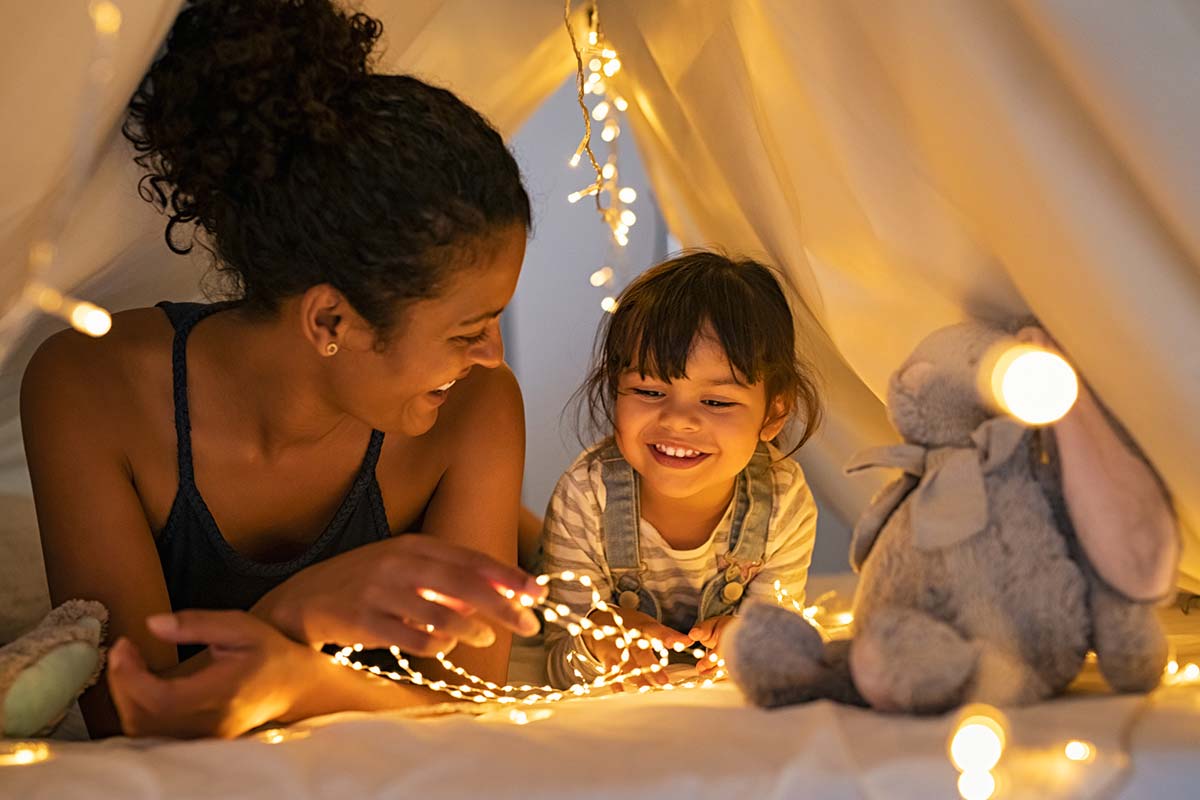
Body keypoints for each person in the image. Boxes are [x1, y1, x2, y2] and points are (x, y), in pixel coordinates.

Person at [21, 0, 542, 739]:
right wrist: (301, 610)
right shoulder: (89, 389)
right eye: (468, 330)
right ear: (330, 320)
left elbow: (465, 708)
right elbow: (132, 716)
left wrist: (299, 677)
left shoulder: (475, 409)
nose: (491, 354)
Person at [542, 252, 822, 689]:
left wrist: (749, 645)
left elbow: (781, 650)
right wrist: (599, 643)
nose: (677, 420)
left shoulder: (783, 502)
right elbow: (558, 663)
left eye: (716, 402)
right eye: (649, 390)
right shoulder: (586, 496)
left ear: (774, 412)